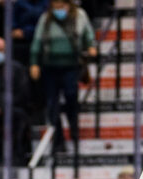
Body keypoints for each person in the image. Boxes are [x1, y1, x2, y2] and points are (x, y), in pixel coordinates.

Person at [29, 0, 96, 152]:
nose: (58, 9)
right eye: (55, 6)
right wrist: (34, 63)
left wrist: (91, 46)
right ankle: (58, 139)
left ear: (68, 4)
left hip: (71, 65)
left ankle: (74, 131)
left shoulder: (79, 15)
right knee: (52, 103)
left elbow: (88, 35)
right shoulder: (45, 18)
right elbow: (37, 42)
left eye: (61, 6)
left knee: (71, 96)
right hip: (50, 67)